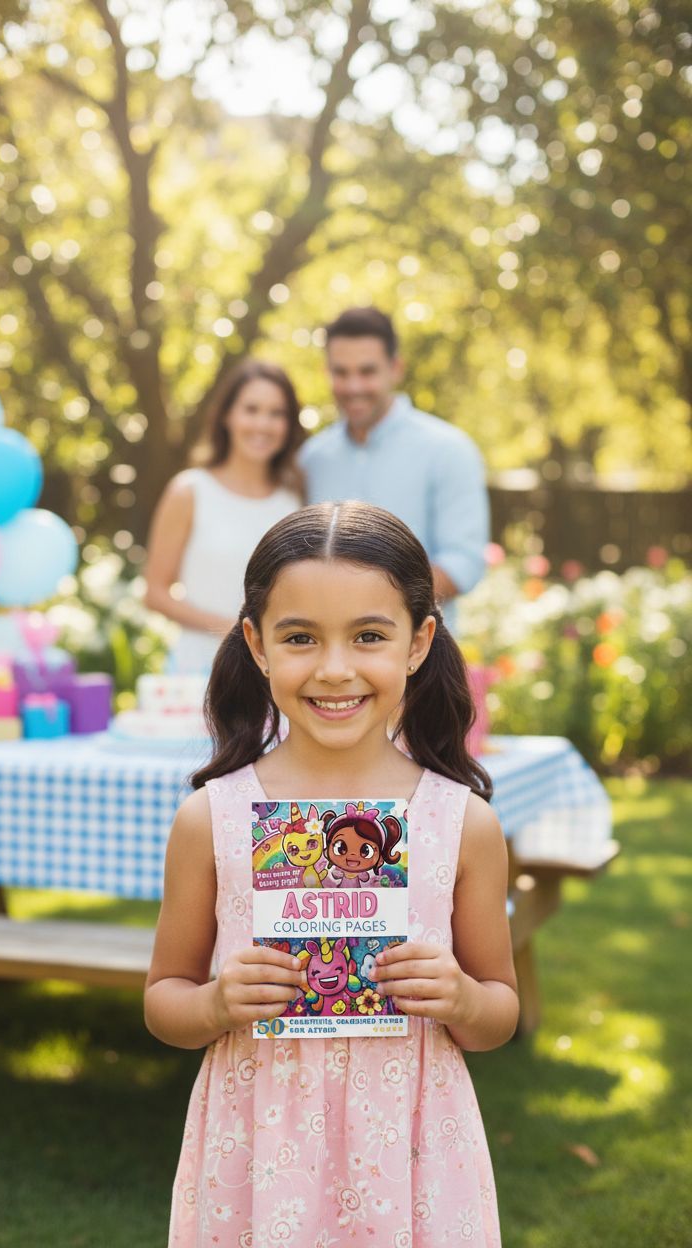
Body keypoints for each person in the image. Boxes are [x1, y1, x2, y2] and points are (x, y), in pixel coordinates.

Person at [145, 501, 518, 1246]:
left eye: (370, 636)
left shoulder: (460, 822)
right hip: (257, 1147)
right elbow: (164, 1000)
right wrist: (218, 1002)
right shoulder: (212, 819)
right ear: (256, 643)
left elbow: (499, 1012)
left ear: (418, 643)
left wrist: (462, 998)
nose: (335, 668)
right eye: (301, 637)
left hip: (413, 1147)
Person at [300, 306, 489, 626]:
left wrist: (367, 605)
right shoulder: (311, 458)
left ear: (396, 368)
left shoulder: (448, 450)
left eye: (367, 371)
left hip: (421, 661)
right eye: (341, 372)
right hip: (326, 659)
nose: (354, 386)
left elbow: (463, 564)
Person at [144, 359, 303, 673]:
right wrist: (233, 631)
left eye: (276, 413)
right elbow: (155, 593)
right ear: (228, 416)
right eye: (251, 409)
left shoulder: (294, 500)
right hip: (201, 668)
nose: (262, 424)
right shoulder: (190, 491)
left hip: (275, 673)